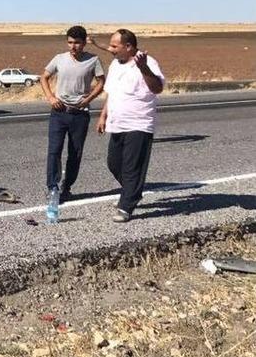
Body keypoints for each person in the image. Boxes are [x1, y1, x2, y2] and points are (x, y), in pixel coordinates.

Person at [96, 29, 164, 222]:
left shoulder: (148, 63)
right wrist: (103, 116)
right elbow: (111, 92)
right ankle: (132, 193)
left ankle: (126, 206)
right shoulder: (115, 65)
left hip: (139, 123)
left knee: (132, 167)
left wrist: (143, 68)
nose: (111, 49)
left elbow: (157, 88)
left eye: (114, 46)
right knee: (114, 163)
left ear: (128, 47)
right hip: (117, 123)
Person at [39, 25, 105, 202]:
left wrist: (89, 99)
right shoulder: (59, 59)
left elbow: (101, 82)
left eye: (77, 43)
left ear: (84, 43)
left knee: (75, 153)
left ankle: (67, 187)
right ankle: (52, 187)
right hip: (59, 111)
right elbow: (43, 77)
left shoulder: (93, 60)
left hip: (80, 114)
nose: (73, 46)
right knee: (54, 150)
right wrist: (51, 97)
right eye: (70, 42)